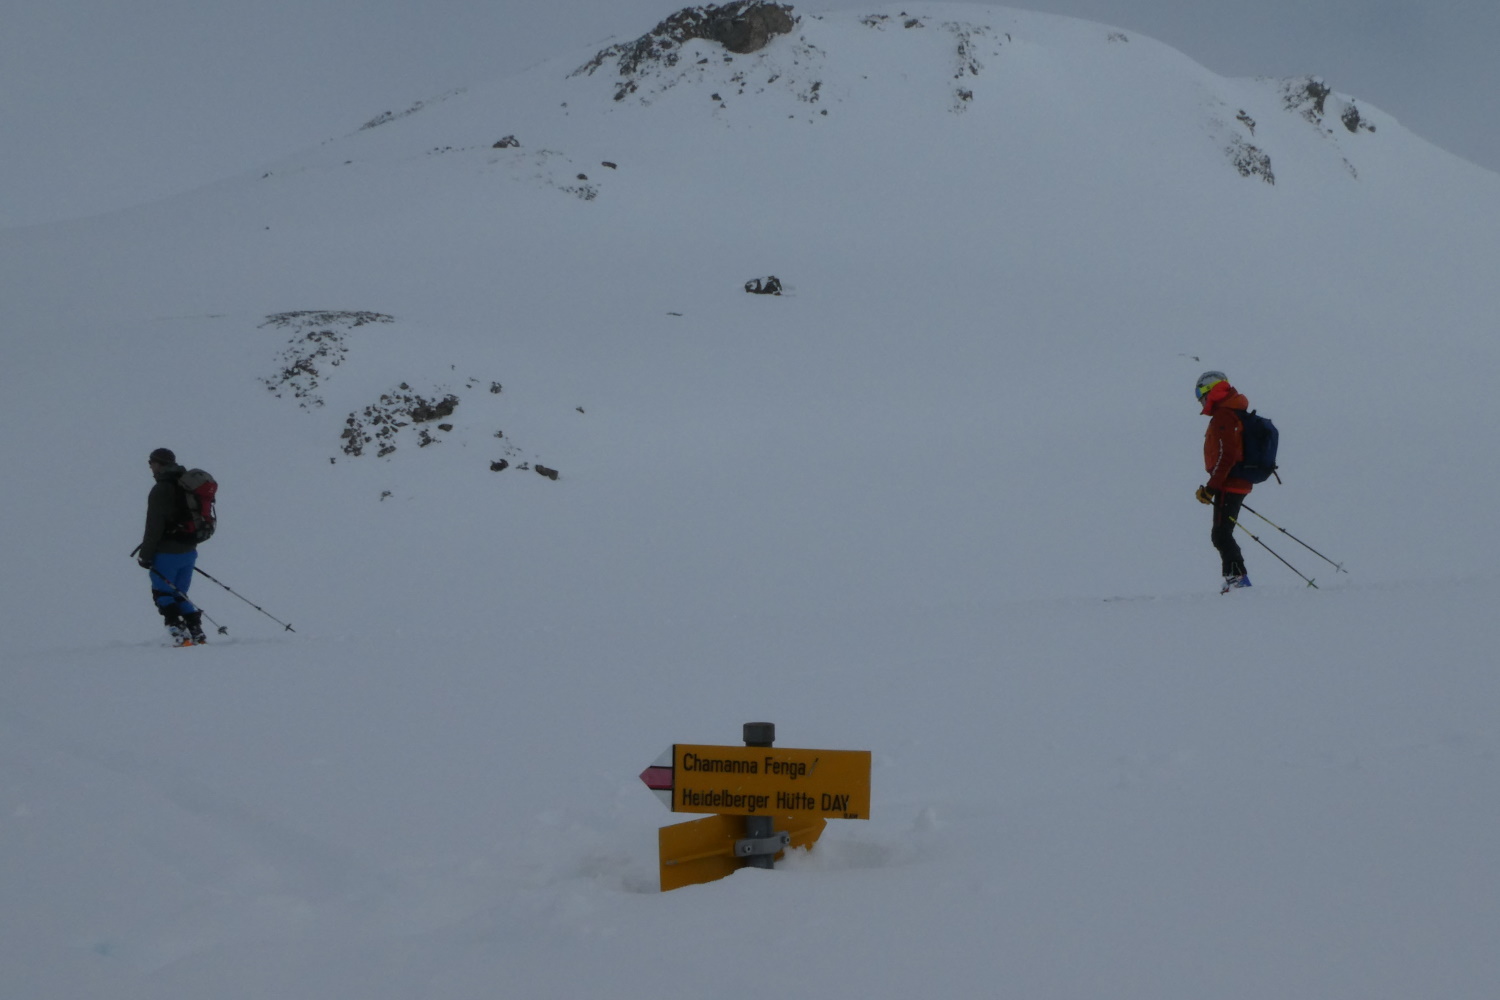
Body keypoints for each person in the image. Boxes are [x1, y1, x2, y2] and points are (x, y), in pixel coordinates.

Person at [138, 447, 206, 645]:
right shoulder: (185, 484)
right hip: (189, 550)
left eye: (151, 462)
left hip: (167, 551)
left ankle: (178, 634)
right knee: (180, 594)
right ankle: (196, 633)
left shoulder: (161, 489)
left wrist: (146, 555)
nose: (150, 467)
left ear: (159, 464)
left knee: (163, 593)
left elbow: (153, 525)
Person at [1194, 372, 1253, 593]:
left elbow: (1225, 455)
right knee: (1222, 532)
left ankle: (1237, 579)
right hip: (1237, 479)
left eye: (1200, 393)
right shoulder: (1231, 412)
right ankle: (1236, 579)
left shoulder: (1224, 416)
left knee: (1221, 533)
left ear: (1210, 391)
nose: (1199, 399)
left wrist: (1211, 487)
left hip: (1229, 481)